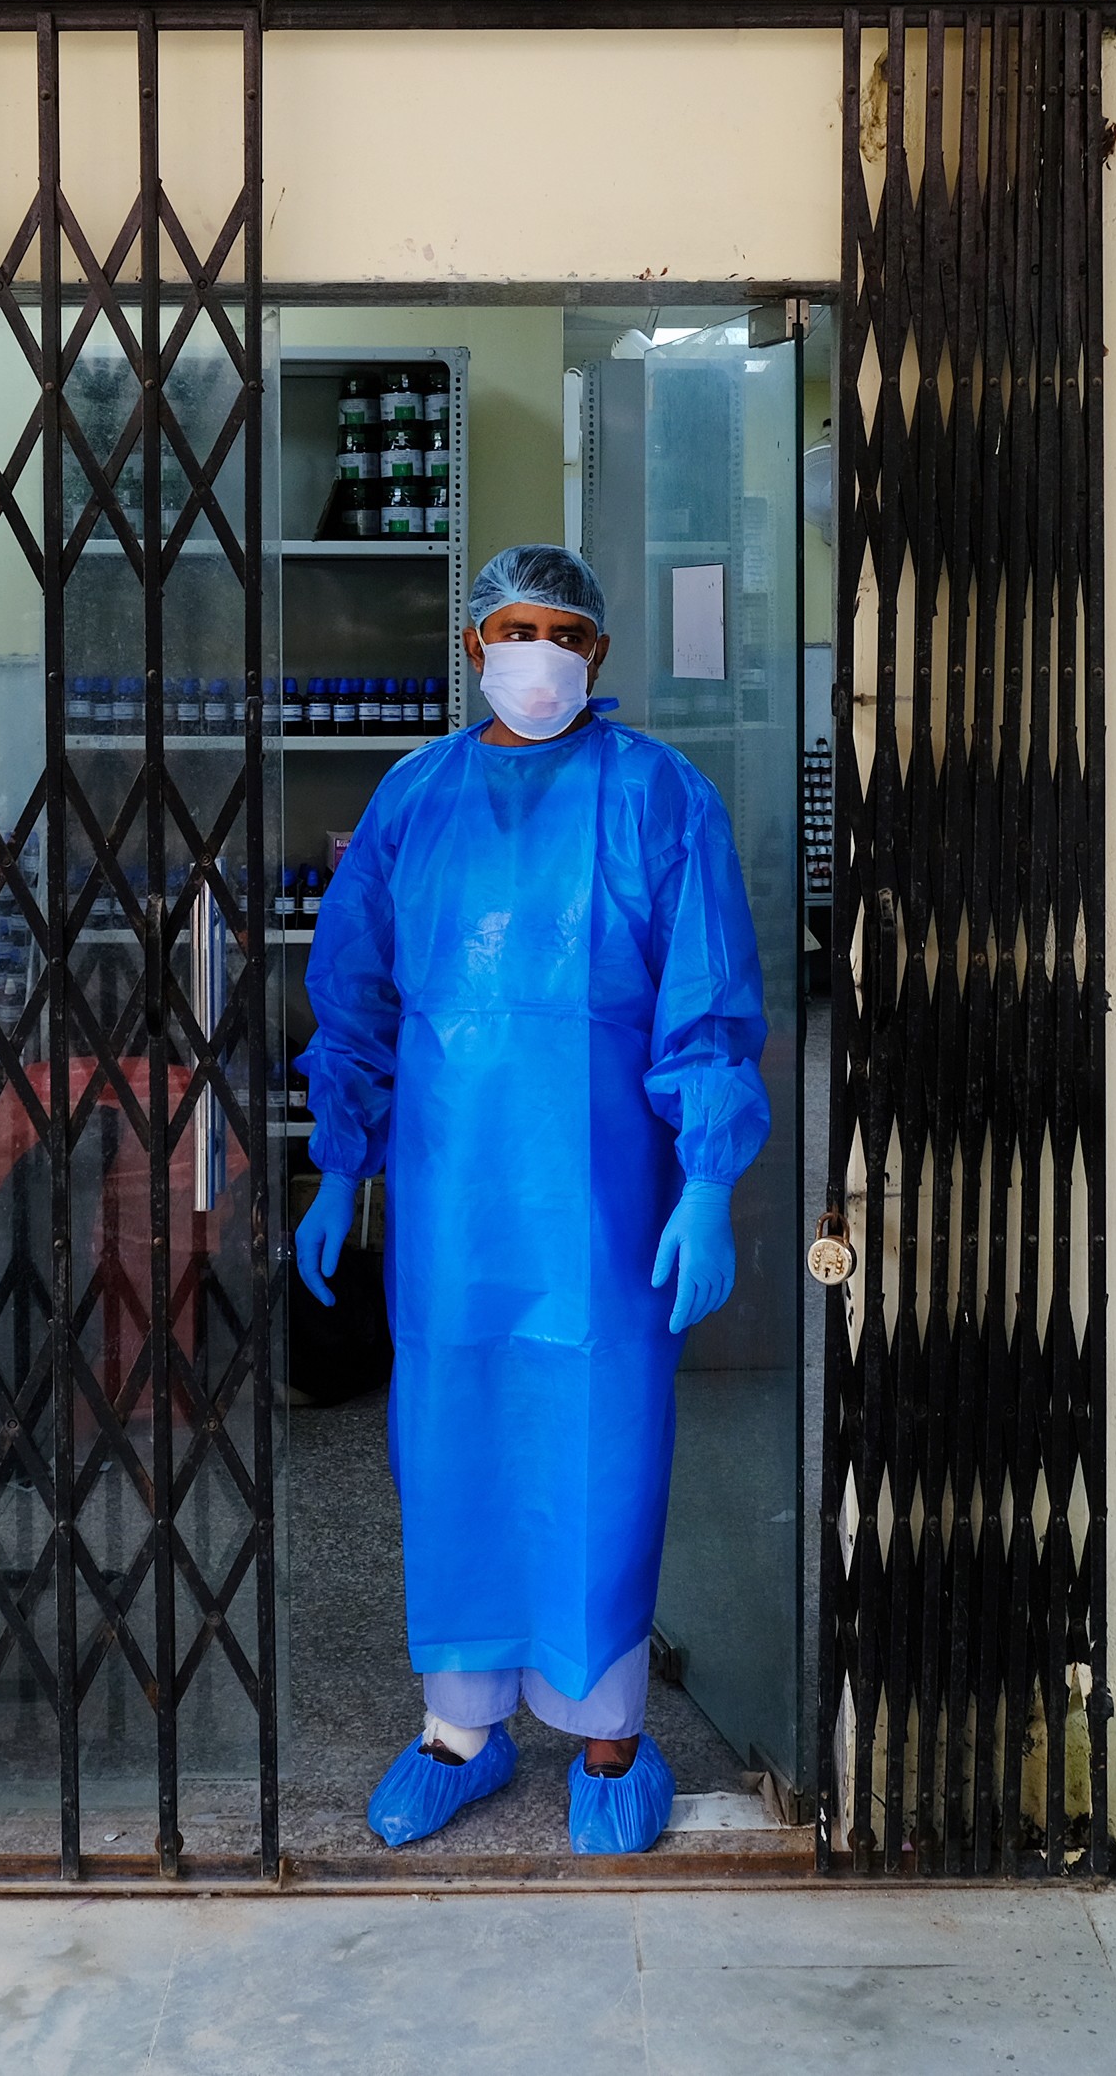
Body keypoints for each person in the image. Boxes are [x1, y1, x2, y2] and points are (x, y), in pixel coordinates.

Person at [293, 542, 769, 1857]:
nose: (537, 652)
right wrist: (342, 1165)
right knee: (450, 1446)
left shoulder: (662, 799)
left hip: (604, 1193)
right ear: (474, 647)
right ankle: (461, 1730)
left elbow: (710, 1007)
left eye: (563, 629)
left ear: (598, 654)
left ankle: (610, 1733)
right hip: (451, 1203)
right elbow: (355, 994)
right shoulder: (412, 799)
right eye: (513, 627)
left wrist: (711, 1184)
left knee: (601, 1446)